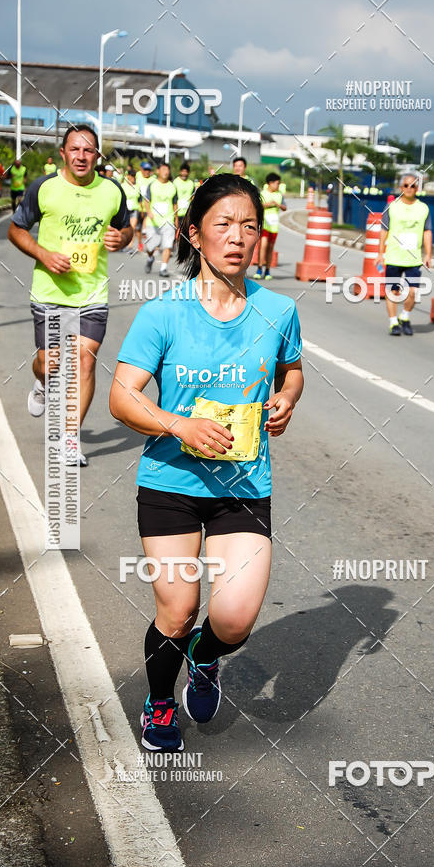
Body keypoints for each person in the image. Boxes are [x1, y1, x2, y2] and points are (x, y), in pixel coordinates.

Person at [109, 173, 303, 752]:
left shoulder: (278, 310)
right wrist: (180, 424)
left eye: (249, 225)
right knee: (178, 608)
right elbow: (122, 397)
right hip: (170, 481)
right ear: (194, 234)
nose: (237, 236)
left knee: (234, 619)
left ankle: (204, 655)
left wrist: (286, 399)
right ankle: (160, 702)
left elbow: (292, 371)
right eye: (223, 224)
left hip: (243, 484)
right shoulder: (163, 313)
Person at [8, 124, 133, 465]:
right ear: (63, 153)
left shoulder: (111, 191)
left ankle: (70, 438)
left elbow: (127, 227)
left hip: (92, 294)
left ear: (97, 155)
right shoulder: (44, 188)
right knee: (50, 364)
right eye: (75, 149)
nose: (81, 156)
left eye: (88, 150)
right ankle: (42, 384)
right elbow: (15, 230)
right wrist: (44, 254)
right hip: (49, 291)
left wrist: (122, 238)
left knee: (84, 359)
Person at [378, 173, 432, 336]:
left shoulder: (423, 208)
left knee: (412, 292)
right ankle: (393, 322)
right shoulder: (392, 206)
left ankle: (405, 316)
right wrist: (380, 253)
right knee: (393, 292)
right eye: (406, 185)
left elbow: (427, 231)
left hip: (413, 258)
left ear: (417, 188)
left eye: (413, 185)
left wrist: (428, 254)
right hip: (394, 256)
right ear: (401, 187)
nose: (409, 188)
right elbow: (384, 230)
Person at [143, 162, 177, 278]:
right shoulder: (152, 185)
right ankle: (150, 258)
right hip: (153, 222)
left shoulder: (172, 186)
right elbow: (146, 201)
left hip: (168, 220)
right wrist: (149, 212)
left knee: (168, 245)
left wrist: (176, 220)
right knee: (150, 247)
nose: (165, 172)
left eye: (167, 170)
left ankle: (163, 268)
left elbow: (175, 204)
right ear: (158, 171)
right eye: (163, 170)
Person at [254, 173, 286, 281]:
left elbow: (285, 208)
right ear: (270, 183)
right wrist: (267, 205)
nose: (278, 185)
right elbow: (256, 206)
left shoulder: (280, 195)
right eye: (277, 183)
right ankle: (259, 269)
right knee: (263, 246)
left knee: (270, 248)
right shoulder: (263, 193)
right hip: (264, 224)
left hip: (274, 225)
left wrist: (278, 205)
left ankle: (267, 270)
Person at [135, 160, 155, 251]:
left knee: (149, 228)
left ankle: (150, 246)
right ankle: (140, 243)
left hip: (149, 208)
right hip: (139, 207)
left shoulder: (153, 180)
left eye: (148, 170)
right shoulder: (138, 177)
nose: (147, 171)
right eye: (145, 169)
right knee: (138, 228)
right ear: (142, 170)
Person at [172, 162, 195, 233]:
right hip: (176, 214)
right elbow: (173, 199)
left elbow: (192, 198)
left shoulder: (191, 183)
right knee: (176, 234)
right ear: (180, 172)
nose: (184, 173)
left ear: (188, 173)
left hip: (187, 214)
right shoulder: (175, 182)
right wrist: (175, 216)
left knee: (185, 234)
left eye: (186, 171)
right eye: (183, 171)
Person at [122, 167, 141, 249]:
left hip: (134, 209)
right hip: (125, 210)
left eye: (134, 176)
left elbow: (140, 199)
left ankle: (130, 245)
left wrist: (141, 209)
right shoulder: (123, 186)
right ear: (128, 176)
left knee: (133, 227)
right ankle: (124, 243)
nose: (133, 178)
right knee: (125, 227)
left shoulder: (137, 186)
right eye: (131, 176)